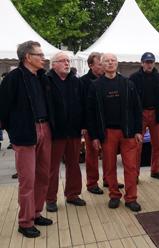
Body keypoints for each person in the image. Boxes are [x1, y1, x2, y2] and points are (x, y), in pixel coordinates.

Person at [0, 41, 54, 238]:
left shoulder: (41, 77)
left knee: (42, 175)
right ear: (27, 57)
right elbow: (3, 108)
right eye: (39, 54)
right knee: (27, 180)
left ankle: (36, 213)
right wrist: (13, 132)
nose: (43, 58)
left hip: (45, 128)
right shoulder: (13, 78)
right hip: (25, 132)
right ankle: (25, 222)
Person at [87, 53, 143, 211]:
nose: (110, 63)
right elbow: (90, 113)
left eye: (113, 61)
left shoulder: (127, 84)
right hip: (107, 132)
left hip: (128, 132)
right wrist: (95, 136)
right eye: (107, 61)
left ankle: (131, 198)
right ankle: (114, 194)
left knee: (131, 166)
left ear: (117, 64)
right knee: (109, 166)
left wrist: (138, 130)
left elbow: (137, 108)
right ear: (102, 65)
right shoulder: (95, 85)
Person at [46, 52, 86, 212]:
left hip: (74, 130)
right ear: (53, 64)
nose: (67, 63)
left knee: (74, 164)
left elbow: (83, 104)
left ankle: (73, 194)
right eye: (63, 61)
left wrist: (83, 125)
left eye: (68, 61)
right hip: (55, 132)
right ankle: (50, 199)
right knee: (52, 167)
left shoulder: (76, 82)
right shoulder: (46, 81)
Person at [80, 52, 122, 194]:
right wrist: (84, 126)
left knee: (108, 155)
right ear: (91, 66)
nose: (104, 66)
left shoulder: (107, 81)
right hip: (91, 124)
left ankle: (108, 180)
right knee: (92, 154)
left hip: (107, 125)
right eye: (100, 64)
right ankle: (92, 183)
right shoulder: (83, 82)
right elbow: (83, 106)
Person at [129, 52, 159, 180]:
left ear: (154, 63)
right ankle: (135, 174)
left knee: (157, 144)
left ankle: (155, 170)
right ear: (142, 63)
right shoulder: (133, 78)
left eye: (151, 62)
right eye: (146, 62)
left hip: (156, 113)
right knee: (137, 146)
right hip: (140, 114)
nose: (149, 64)